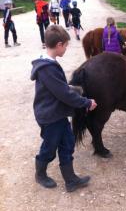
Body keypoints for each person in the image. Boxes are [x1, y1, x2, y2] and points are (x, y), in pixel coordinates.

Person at [31, 25, 97, 192]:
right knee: (50, 147)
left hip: (58, 114)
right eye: (66, 45)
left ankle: (70, 180)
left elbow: (60, 88)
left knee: (67, 143)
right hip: (50, 116)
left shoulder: (50, 65)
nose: (66, 48)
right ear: (59, 44)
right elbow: (63, 94)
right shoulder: (47, 68)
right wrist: (86, 102)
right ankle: (40, 174)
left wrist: (71, 89)